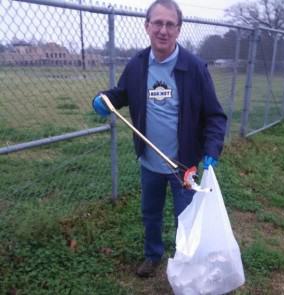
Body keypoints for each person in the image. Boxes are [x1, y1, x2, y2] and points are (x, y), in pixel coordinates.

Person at [92, 0, 227, 278]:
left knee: (186, 220)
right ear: (147, 26)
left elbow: (215, 115)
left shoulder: (195, 68)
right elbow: (122, 93)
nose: (163, 30)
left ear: (178, 29)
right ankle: (153, 255)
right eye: (157, 23)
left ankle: (184, 263)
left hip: (184, 165)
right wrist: (104, 99)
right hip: (150, 163)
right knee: (150, 214)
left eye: (170, 24)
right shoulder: (137, 65)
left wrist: (211, 148)